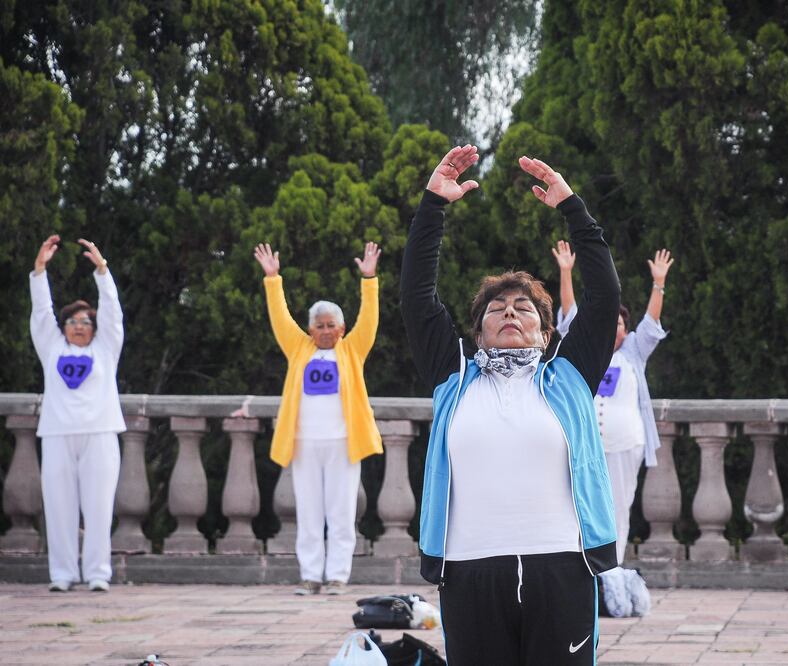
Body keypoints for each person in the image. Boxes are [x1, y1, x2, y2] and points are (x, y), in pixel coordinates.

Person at [401, 144, 619, 665]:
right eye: (496, 309)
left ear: (546, 334)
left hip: (562, 565)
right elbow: (416, 297)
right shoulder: (453, 376)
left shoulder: (568, 375)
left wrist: (574, 209)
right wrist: (433, 205)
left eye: (524, 309)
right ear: (479, 332)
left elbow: (604, 297)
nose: (510, 314)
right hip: (470, 568)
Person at [254, 241, 383, 595]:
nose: (325, 331)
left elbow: (369, 320)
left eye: (331, 325)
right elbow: (280, 318)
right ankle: (310, 575)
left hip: (343, 443)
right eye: (319, 325)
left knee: (341, 513)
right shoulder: (298, 349)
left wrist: (369, 280)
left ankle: (338, 575)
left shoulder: (352, 351)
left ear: (341, 329)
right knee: (308, 513)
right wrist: (273, 279)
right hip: (304, 443)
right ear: (310, 329)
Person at [553, 243, 673, 565]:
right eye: (611, 322)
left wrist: (658, 282)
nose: (615, 327)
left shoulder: (633, 352)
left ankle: (612, 570)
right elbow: (570, 320)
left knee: (618, 505)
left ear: (625, 329)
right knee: (580, 504)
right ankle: (583, 565)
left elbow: (651, 323)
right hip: (586, 443)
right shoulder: (587, 351)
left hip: (624, 444)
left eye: (620, 323)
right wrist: (566, 271)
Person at [30, 235, 124, 593]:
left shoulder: (105, 348)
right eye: (73, 321)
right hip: (56, 434)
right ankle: (62, 574)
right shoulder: (52, 347)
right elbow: (41, 315)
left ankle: (99, 572)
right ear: (64, 326)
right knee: (59, 508)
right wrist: (40, 272)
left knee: (99, 508)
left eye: (86, 321)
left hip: (100, 433)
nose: (80, 326)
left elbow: (113, 313)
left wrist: (102, 271)